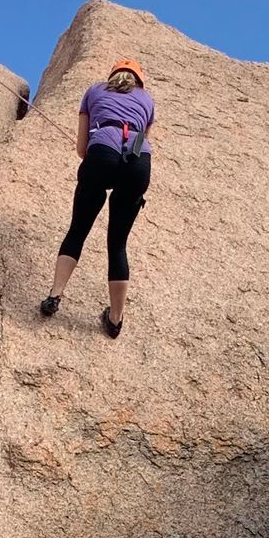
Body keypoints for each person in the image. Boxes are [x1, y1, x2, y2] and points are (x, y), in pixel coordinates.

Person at [39, 59, 154, 336]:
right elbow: (143, 138)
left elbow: (82, 149)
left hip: (102, 152)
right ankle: (115, 320)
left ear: (112, 77)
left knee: (78, 230)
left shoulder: (94, 91)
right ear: (139, 81)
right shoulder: (147, 100)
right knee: (117, 244)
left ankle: (55, 295)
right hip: (139, 162)